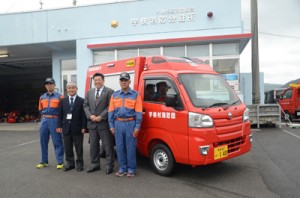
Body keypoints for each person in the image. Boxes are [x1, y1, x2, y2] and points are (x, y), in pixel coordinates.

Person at [108, 72, 143, 177]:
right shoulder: (115, 95)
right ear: (119, 82)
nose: (123, 82)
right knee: (119, 147)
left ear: (129, 82)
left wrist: (137, 127)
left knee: (130, 147)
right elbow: (110, 111)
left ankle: (131, 169)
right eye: (122, 80)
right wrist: (111, 126)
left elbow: (139, 112)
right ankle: (122, 168)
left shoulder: (135, 95)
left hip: (130, 124)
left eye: (125, 80)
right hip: (118, 123)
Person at [83, 73, 115, 174]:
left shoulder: (109, 91)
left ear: (103, 80)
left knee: (108, 146)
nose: (97, 82)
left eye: (99, 80)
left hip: (104, 123)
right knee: (93, 146)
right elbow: (85, 106)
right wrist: (90, 115)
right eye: (95, 80)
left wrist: (101, 116)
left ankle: (110, 165)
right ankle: (94, 164)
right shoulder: (89, 92)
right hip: (92, 123)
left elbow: (110, 106)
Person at [57, 82, 87, 172]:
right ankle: (70, 163)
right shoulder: (63, 101)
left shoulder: (82, 100)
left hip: (77, 128)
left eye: (73, 87)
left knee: (79, 147)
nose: (71, 89)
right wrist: (59, 126)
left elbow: (83, 116)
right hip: (66, 128)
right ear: (67, 90)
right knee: (68, 147)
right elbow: (60, 114)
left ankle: (79, 164)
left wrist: (83, 127)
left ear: (76, 89)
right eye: (69, 88)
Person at [36, 77, 64, 169]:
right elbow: (40, 110)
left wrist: (60, 124)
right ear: (45, 86)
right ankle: (44, 161)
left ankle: (60, 162)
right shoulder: (42, 97)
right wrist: (43, 120)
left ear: (54, 85)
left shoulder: (60, 97)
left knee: (57, 141)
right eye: (47, 84)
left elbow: (62, 111)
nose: (49, 85)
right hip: (44, 120)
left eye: (51, 83)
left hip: (55, 120)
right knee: (43, 141)